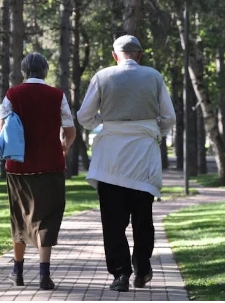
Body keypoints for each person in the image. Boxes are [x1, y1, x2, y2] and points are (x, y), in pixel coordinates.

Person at [76, 35, 176, 292]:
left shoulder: (103, 76)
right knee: (144, 218)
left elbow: (84, 116)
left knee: (113, 221)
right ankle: (142, 268)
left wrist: (104, 125)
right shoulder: (154, 76)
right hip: (143, 157)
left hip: (111, 160)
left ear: (114, 55)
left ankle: (121, 274)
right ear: (140, 55)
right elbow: (169, 117)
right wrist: (154, 133)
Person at [0, 52, 76, 290]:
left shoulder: (13, 94)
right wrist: (64, 147)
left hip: (19, 168)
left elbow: (0, 128)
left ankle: (17, 272)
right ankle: (44, 275)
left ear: (24, 71)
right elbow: (69, 128)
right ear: (45, 70)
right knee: (48, 217)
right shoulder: (57, 95)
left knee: (19, 217)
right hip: (51, 166)